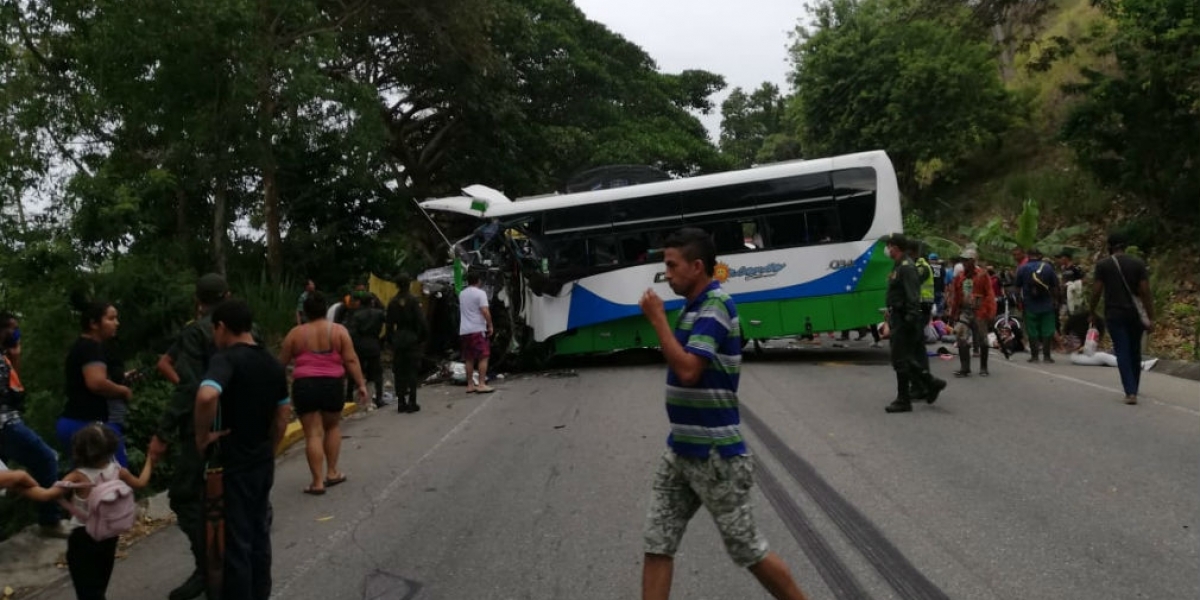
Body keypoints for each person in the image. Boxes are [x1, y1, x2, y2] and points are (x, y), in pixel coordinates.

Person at [637, 228, 809, 600]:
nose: (666, 273)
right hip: (681, 448)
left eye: (671, 265)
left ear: (697, 266)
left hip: (715, 454)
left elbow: (688, 370)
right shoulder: (693, 307)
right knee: (657, 542)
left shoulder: (715, 305)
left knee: (748, 550)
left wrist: (657, 322)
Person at [194, 299, 291, 600]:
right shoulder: (272, 363)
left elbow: (207, 395)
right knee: (260, 533)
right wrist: (270, 448)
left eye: (215, 330)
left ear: (222, 327)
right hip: (262, 459)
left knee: (237, 541)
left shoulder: (226, 359)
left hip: (233, 461)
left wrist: (202, 436)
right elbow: (282, 415)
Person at [152, 272, 233, 600]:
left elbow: (187, 387)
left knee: (185, 495)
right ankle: (229, 563)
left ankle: (208, 566)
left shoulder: (196, 332)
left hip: (204, 427)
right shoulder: (245, 328)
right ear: (227, 296)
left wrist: (163, 432)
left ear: (199, 301)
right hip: (240, 426)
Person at [22, 423, 154, 600]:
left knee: (86, 589)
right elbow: (141, 483)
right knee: (99, 582)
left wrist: (18, 484)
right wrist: (151, 459)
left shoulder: (77, 476)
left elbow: (45, 495)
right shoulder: (117, 470)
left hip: (83, 538)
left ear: (79, 451)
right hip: (109, 534)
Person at [279, 291, 368, 495]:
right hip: (332, 384)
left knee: (312, 433)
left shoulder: (295, 334)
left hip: (305, 385)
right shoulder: (338, 331)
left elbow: (281, 364)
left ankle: (317, 482)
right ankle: (333, 472)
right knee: (332, 427)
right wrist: (361, 384)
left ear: (305, 312)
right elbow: (351, 360)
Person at [0, 312, 68, 537]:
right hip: (5, 425)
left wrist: (15, 356)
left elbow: (14, 390)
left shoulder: (3, 357)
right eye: (13, 328)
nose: (17, 333)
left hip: (9, 421)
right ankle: (50, 521)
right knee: (46, 458)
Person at [57, 299, 132, 468]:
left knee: (90, 483)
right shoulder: (91, 347)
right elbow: (96, 383)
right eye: (111, 319)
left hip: (75, 422)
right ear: (93, 323)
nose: (116, 323)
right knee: (115, 480)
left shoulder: (82, 347)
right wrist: (123, 391)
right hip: (88, 425)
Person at [1088, 233, 1154, 405]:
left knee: (1122, 350)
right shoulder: (1138, 264)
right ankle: (1134, 387)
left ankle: (1130, 391)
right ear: (1125, 246)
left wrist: (1092, 309)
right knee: (1134, 351)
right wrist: (1150, 316)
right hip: (1135, 315)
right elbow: (1145, 292)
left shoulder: (1103, 265)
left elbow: (1096, 291)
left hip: (1114, 314)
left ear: (1110, 246)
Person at [883, 234, 947, 413]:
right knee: (902, 358)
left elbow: (912, 295)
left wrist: (910, 317)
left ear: (895, 247)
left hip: (905, 318)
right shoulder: (898, 265)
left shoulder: (907, 267)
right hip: (898, 316)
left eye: (888, 246)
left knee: (900, 359)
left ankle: (904, 399)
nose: (887, 250)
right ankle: (930, 383)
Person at [948, 247, 997, 377]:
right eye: (962, 260)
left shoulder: (982, 275)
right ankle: (965, 368)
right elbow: (957, 296)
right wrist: (953, 314)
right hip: (965, 311)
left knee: (983, 339)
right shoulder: (960, 277)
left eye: (966, 260)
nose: (964, 263)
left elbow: (990, 295)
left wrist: (990, 313)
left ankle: (983, 367)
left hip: (980, 311)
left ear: (973, 261)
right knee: (961, 337)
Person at [386, 273, 429, 413]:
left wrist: (391, 341)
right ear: (409, 284)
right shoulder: (413, 301)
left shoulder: (392, 302)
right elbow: (421, 321)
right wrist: (422, 337)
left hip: (399, 339)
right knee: (412, 370)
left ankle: (401, 402)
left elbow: (389, 325)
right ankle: (412, 401)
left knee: (399, 371)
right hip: (412, 338)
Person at [1015, 248, 1060, 363]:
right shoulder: (1048, 268)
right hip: (1047, 303)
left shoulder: (1022, 268)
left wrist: (1019, 301)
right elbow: (1055, 286)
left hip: (1030, 304)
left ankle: (1034, 356)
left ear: (1028, 256)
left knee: (1032, 330)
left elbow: (1017, 288)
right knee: (1048, 330)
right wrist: (1055, 300)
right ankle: (1047, 356)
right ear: (1040, 256)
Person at [348, 292, 387, 408]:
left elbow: (352, 332)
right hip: (374, 344)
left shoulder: (357, 315)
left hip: (360, 345)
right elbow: (388, 319)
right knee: (378, 373)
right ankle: (379, 398)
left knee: (354, 371)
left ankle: (348, 396)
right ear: (372, 302)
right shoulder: (378, 313)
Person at [459, 271, 495, 394]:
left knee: (469, 358)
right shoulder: (480, 293)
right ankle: (481, 384)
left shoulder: (462, 294)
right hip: (477, 329)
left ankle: (470, 385)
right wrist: (490, 325)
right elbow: (485, 311)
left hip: (464, 330)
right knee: (483, 356)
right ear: (478, 280)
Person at [1056, 250, 1088, 349]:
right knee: (1062, 319)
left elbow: (1084, 280)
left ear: (1066, 258)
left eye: (1061, 258)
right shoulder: (1063, 269)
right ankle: (1068, 341)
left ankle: (1077, 342)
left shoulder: (1075, 268)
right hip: (1064, 298)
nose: (1059, 260)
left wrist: (1074, 286)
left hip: (1074, 299)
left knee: (1074, 319)